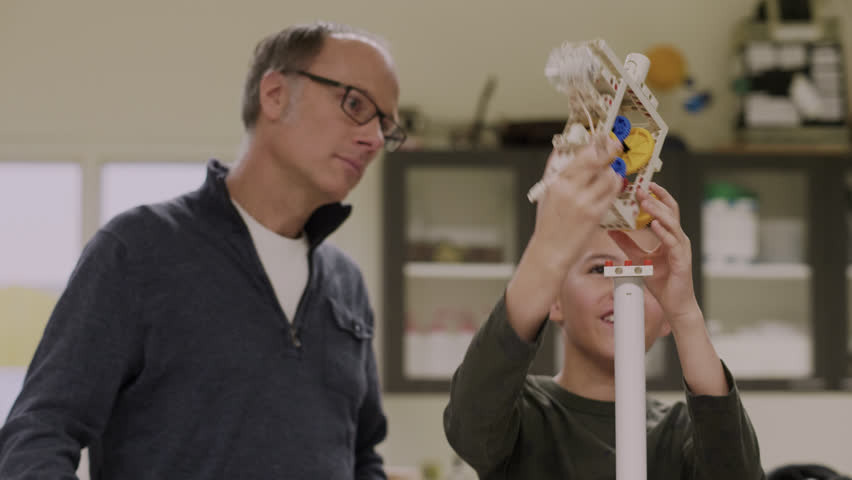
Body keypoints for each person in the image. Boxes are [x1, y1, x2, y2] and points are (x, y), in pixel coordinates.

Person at [0, 21, 404, 479]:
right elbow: (38, 434)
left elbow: (363, 455)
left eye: (385, 126)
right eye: (355, 105)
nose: (374, 140)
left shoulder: (346, 284)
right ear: (275, 95)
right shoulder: (137, 251)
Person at [443, 140, 765, 479]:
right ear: (554, 300)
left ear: (665, 317)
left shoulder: (681, 433)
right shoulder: (521, 415)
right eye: (599, 269)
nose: (624, 287)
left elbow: (736, 472)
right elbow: (469, 424)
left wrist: (685, 313)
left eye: (644, 275)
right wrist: (547, 247)